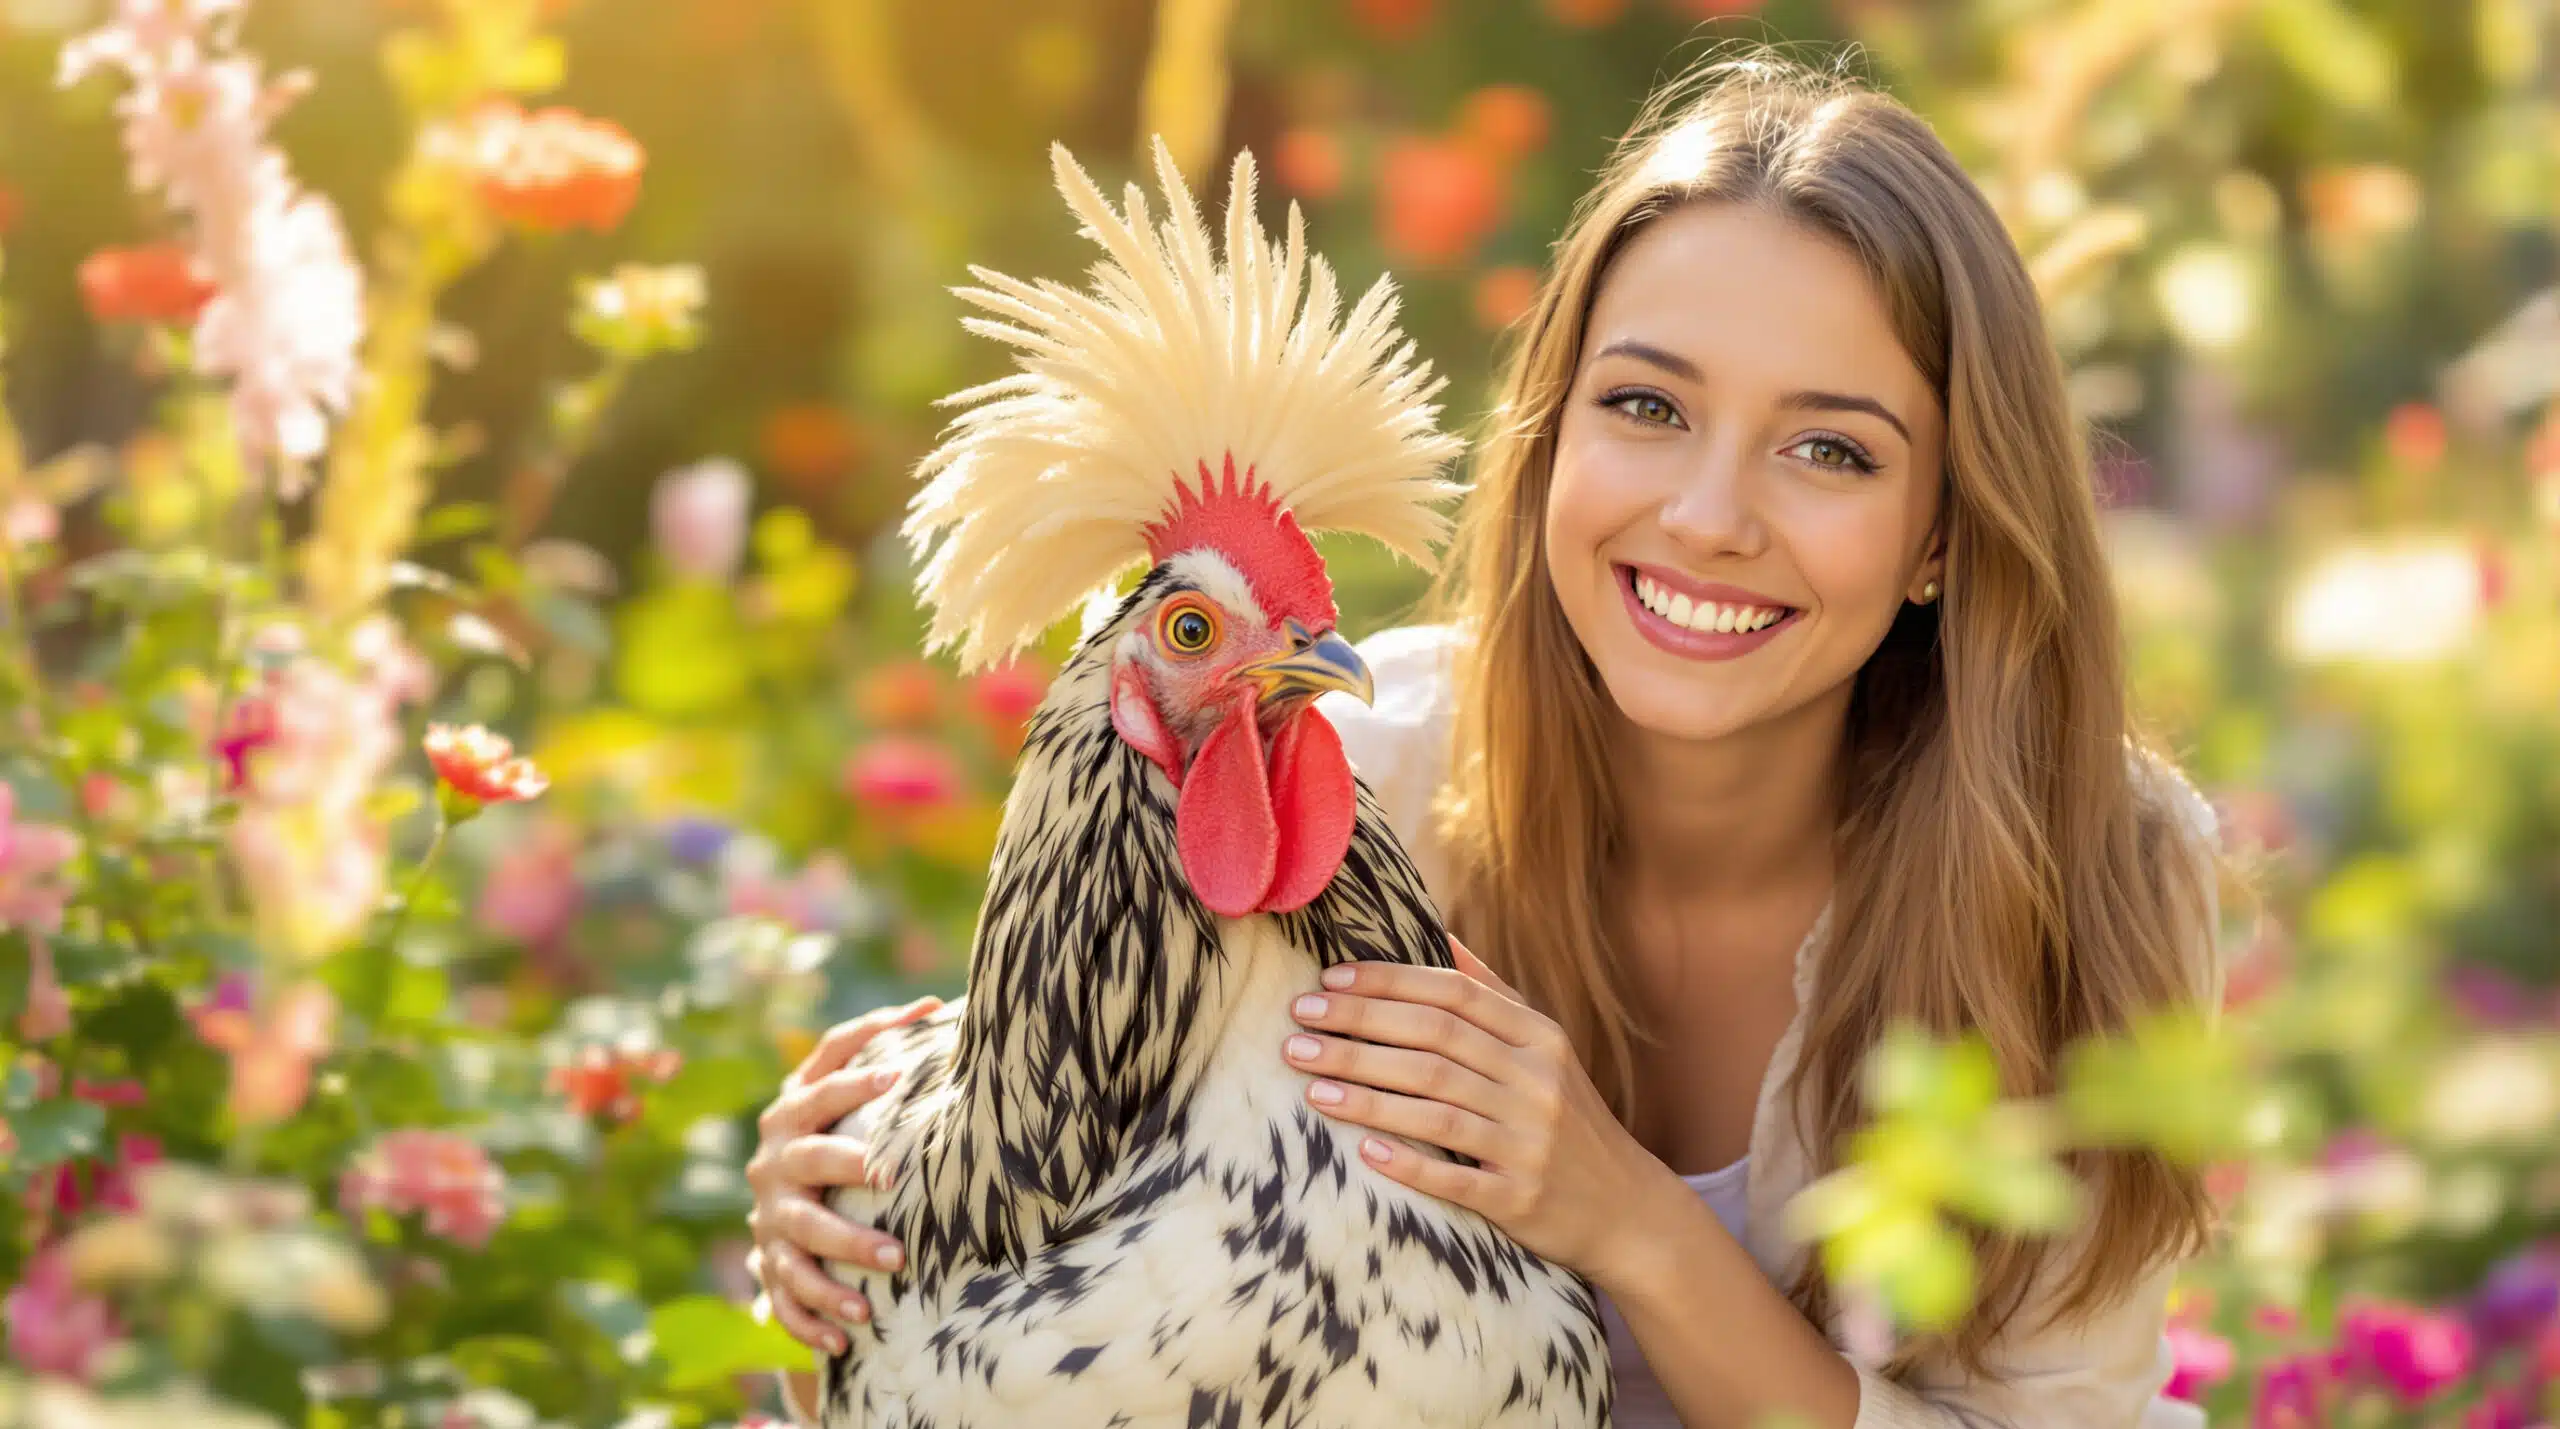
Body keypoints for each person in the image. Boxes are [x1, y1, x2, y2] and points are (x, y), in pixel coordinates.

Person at [746, 52, 2226, 1429]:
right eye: (1647, 406)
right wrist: (857, 1202)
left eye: (1829, 448)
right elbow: (1071, 1232)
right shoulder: (1371, 768)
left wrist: (1624, 1216)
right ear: (1552, 437)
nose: (1710, 517)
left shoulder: (2093, 877)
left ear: (1943, 535)